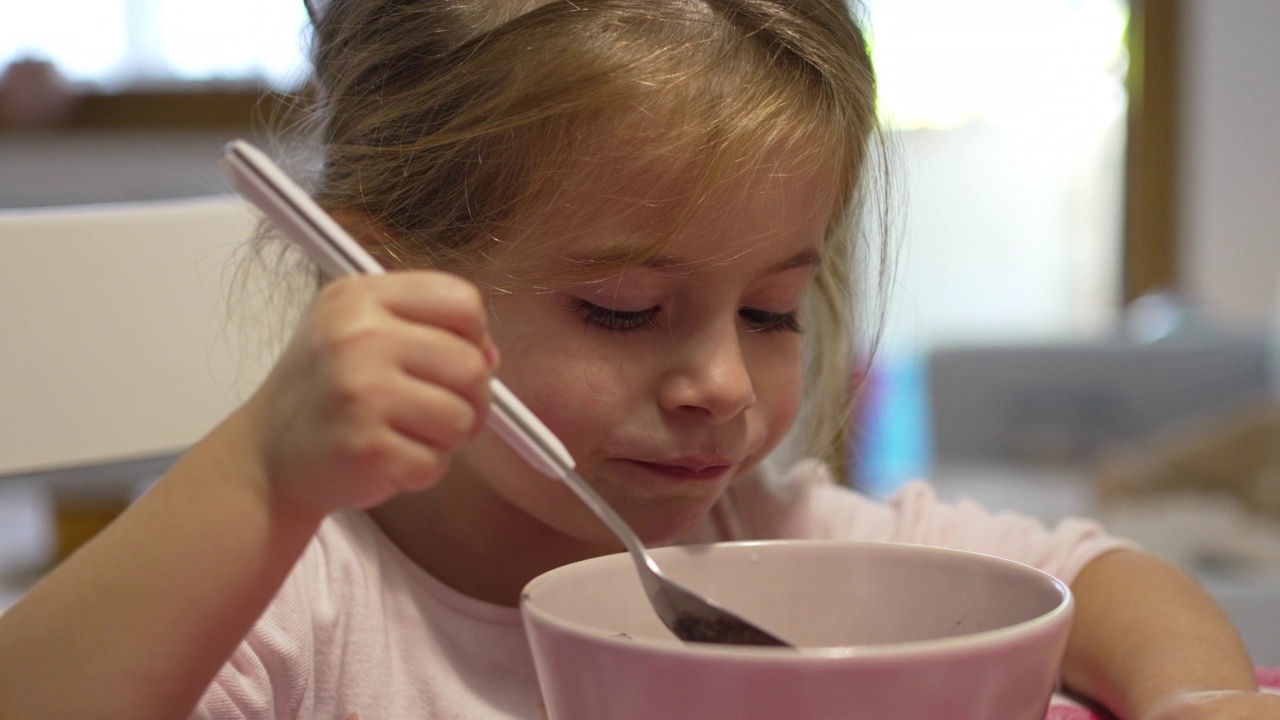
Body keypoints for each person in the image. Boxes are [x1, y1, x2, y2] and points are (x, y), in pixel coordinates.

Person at [0, 1, 1275, 718]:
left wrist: (1195, 703)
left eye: (773, 312)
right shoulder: (303, 597)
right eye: (622, 309)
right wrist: (260, 484)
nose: (722, 385)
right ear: (376, 286)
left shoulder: (765, 541)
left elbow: (1093, 583)